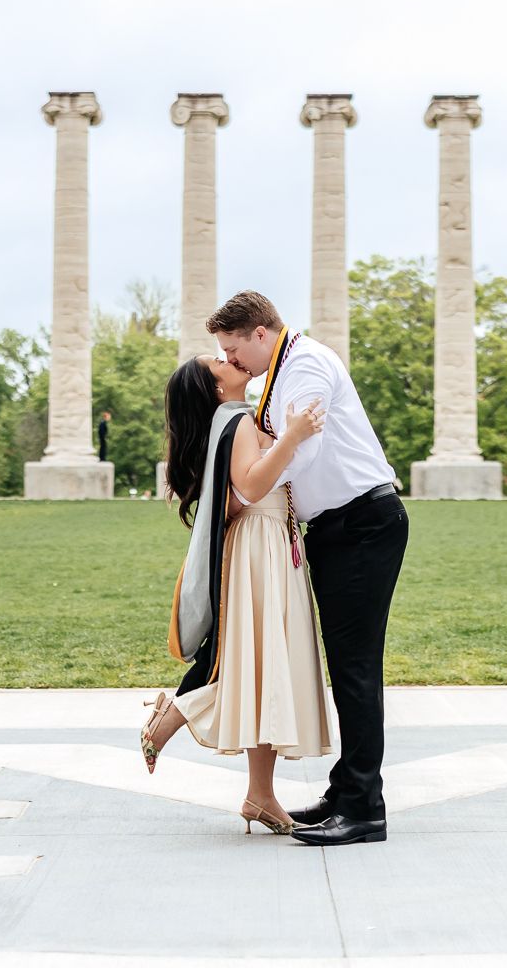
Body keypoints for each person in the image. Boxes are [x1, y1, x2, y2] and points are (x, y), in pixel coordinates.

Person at [209, 290, 406, 847]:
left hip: (363, 521)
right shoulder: (281, 371)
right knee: (346, 665)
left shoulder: (307, 365)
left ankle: (365, 809)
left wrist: (248, 484)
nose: (232, 360)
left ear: (259, 333)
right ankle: (346, 792)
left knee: (356, 669)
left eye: (233, 347)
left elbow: (303, 454)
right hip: (336, 530)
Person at [143, 353, 330, 834]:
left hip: (265, 544)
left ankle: (259, 795)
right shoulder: (237, 420)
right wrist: (292, 436)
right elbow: (248, 487)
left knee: (263, 669)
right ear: (215, 386)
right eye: (217, 362)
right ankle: (180, 716)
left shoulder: (230, 421)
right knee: (263, 666)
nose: (229, 360)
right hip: (260, 546)